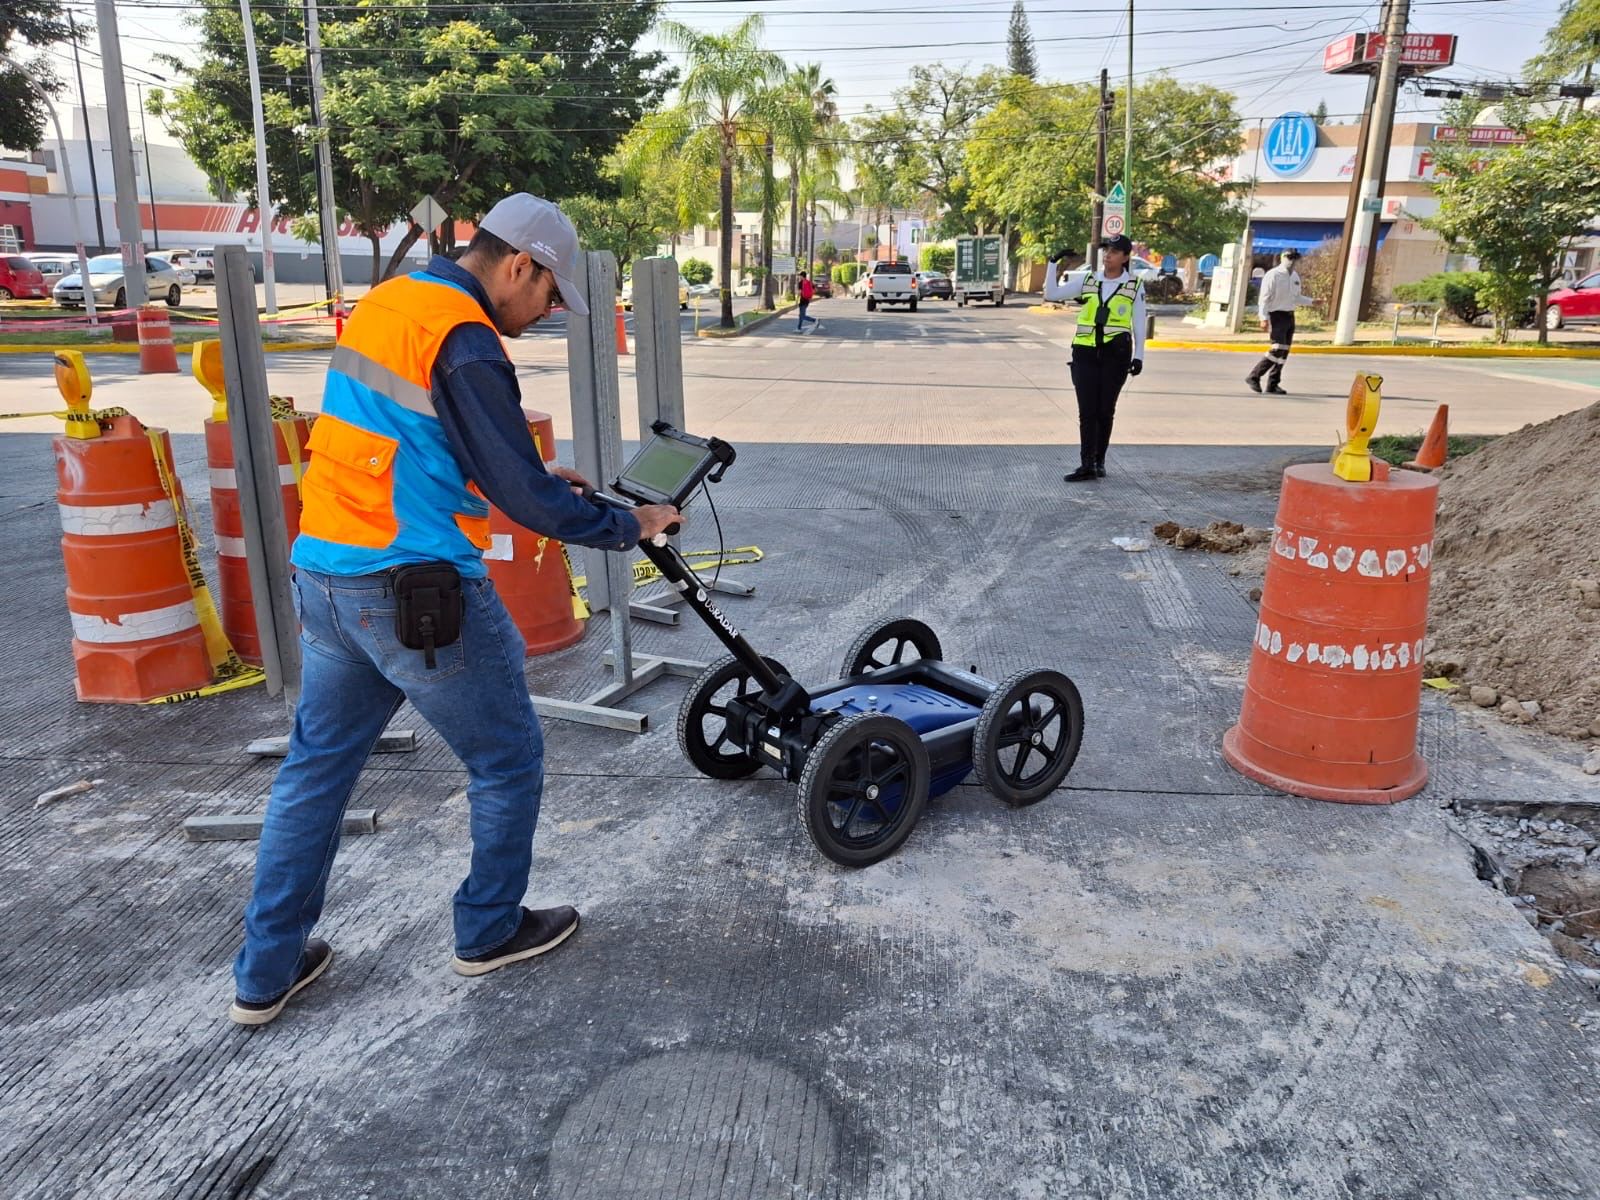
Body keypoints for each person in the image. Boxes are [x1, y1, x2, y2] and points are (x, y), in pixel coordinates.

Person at [229, 193, 681, 1026]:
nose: (545, 313)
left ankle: (266, 970)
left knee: (315, 773)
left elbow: (412, 441)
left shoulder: (393, 301)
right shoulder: (466, 338)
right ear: (520, 265)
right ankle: (490, 928)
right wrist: (632, 522)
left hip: (326, 578)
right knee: (506, 759)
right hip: (418, 593)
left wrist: (542, 479)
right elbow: (522, 498)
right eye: (549, 295)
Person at [1043, 234, 1147, 482]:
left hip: (1116, 353)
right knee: (1087, 411)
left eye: (1112, 251)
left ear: (1124, 257)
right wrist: (1052, 263)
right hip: (1085, 352)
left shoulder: (1134, 285)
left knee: (1105, 411)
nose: (1107, 255)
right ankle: (1086, 463)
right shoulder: (1089, 280)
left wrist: (1139, 356)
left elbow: (1139, 322)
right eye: (1105, 251)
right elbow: (1052, 294)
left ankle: (1099, 461)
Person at [1246, 249, 1312, 395]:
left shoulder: (1294, 276)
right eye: (1289, 257)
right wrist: (1263, 318)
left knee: (1284, 352)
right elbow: (1264, 298)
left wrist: (1313, 302)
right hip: (1276, 315)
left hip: (1289, 316)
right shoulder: (1273, 275)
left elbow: (1296, 297)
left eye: (1294, 258)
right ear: (1282, 258)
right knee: (1277, 348)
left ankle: (1273, 383)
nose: (1292, 261)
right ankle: (1254, 376)